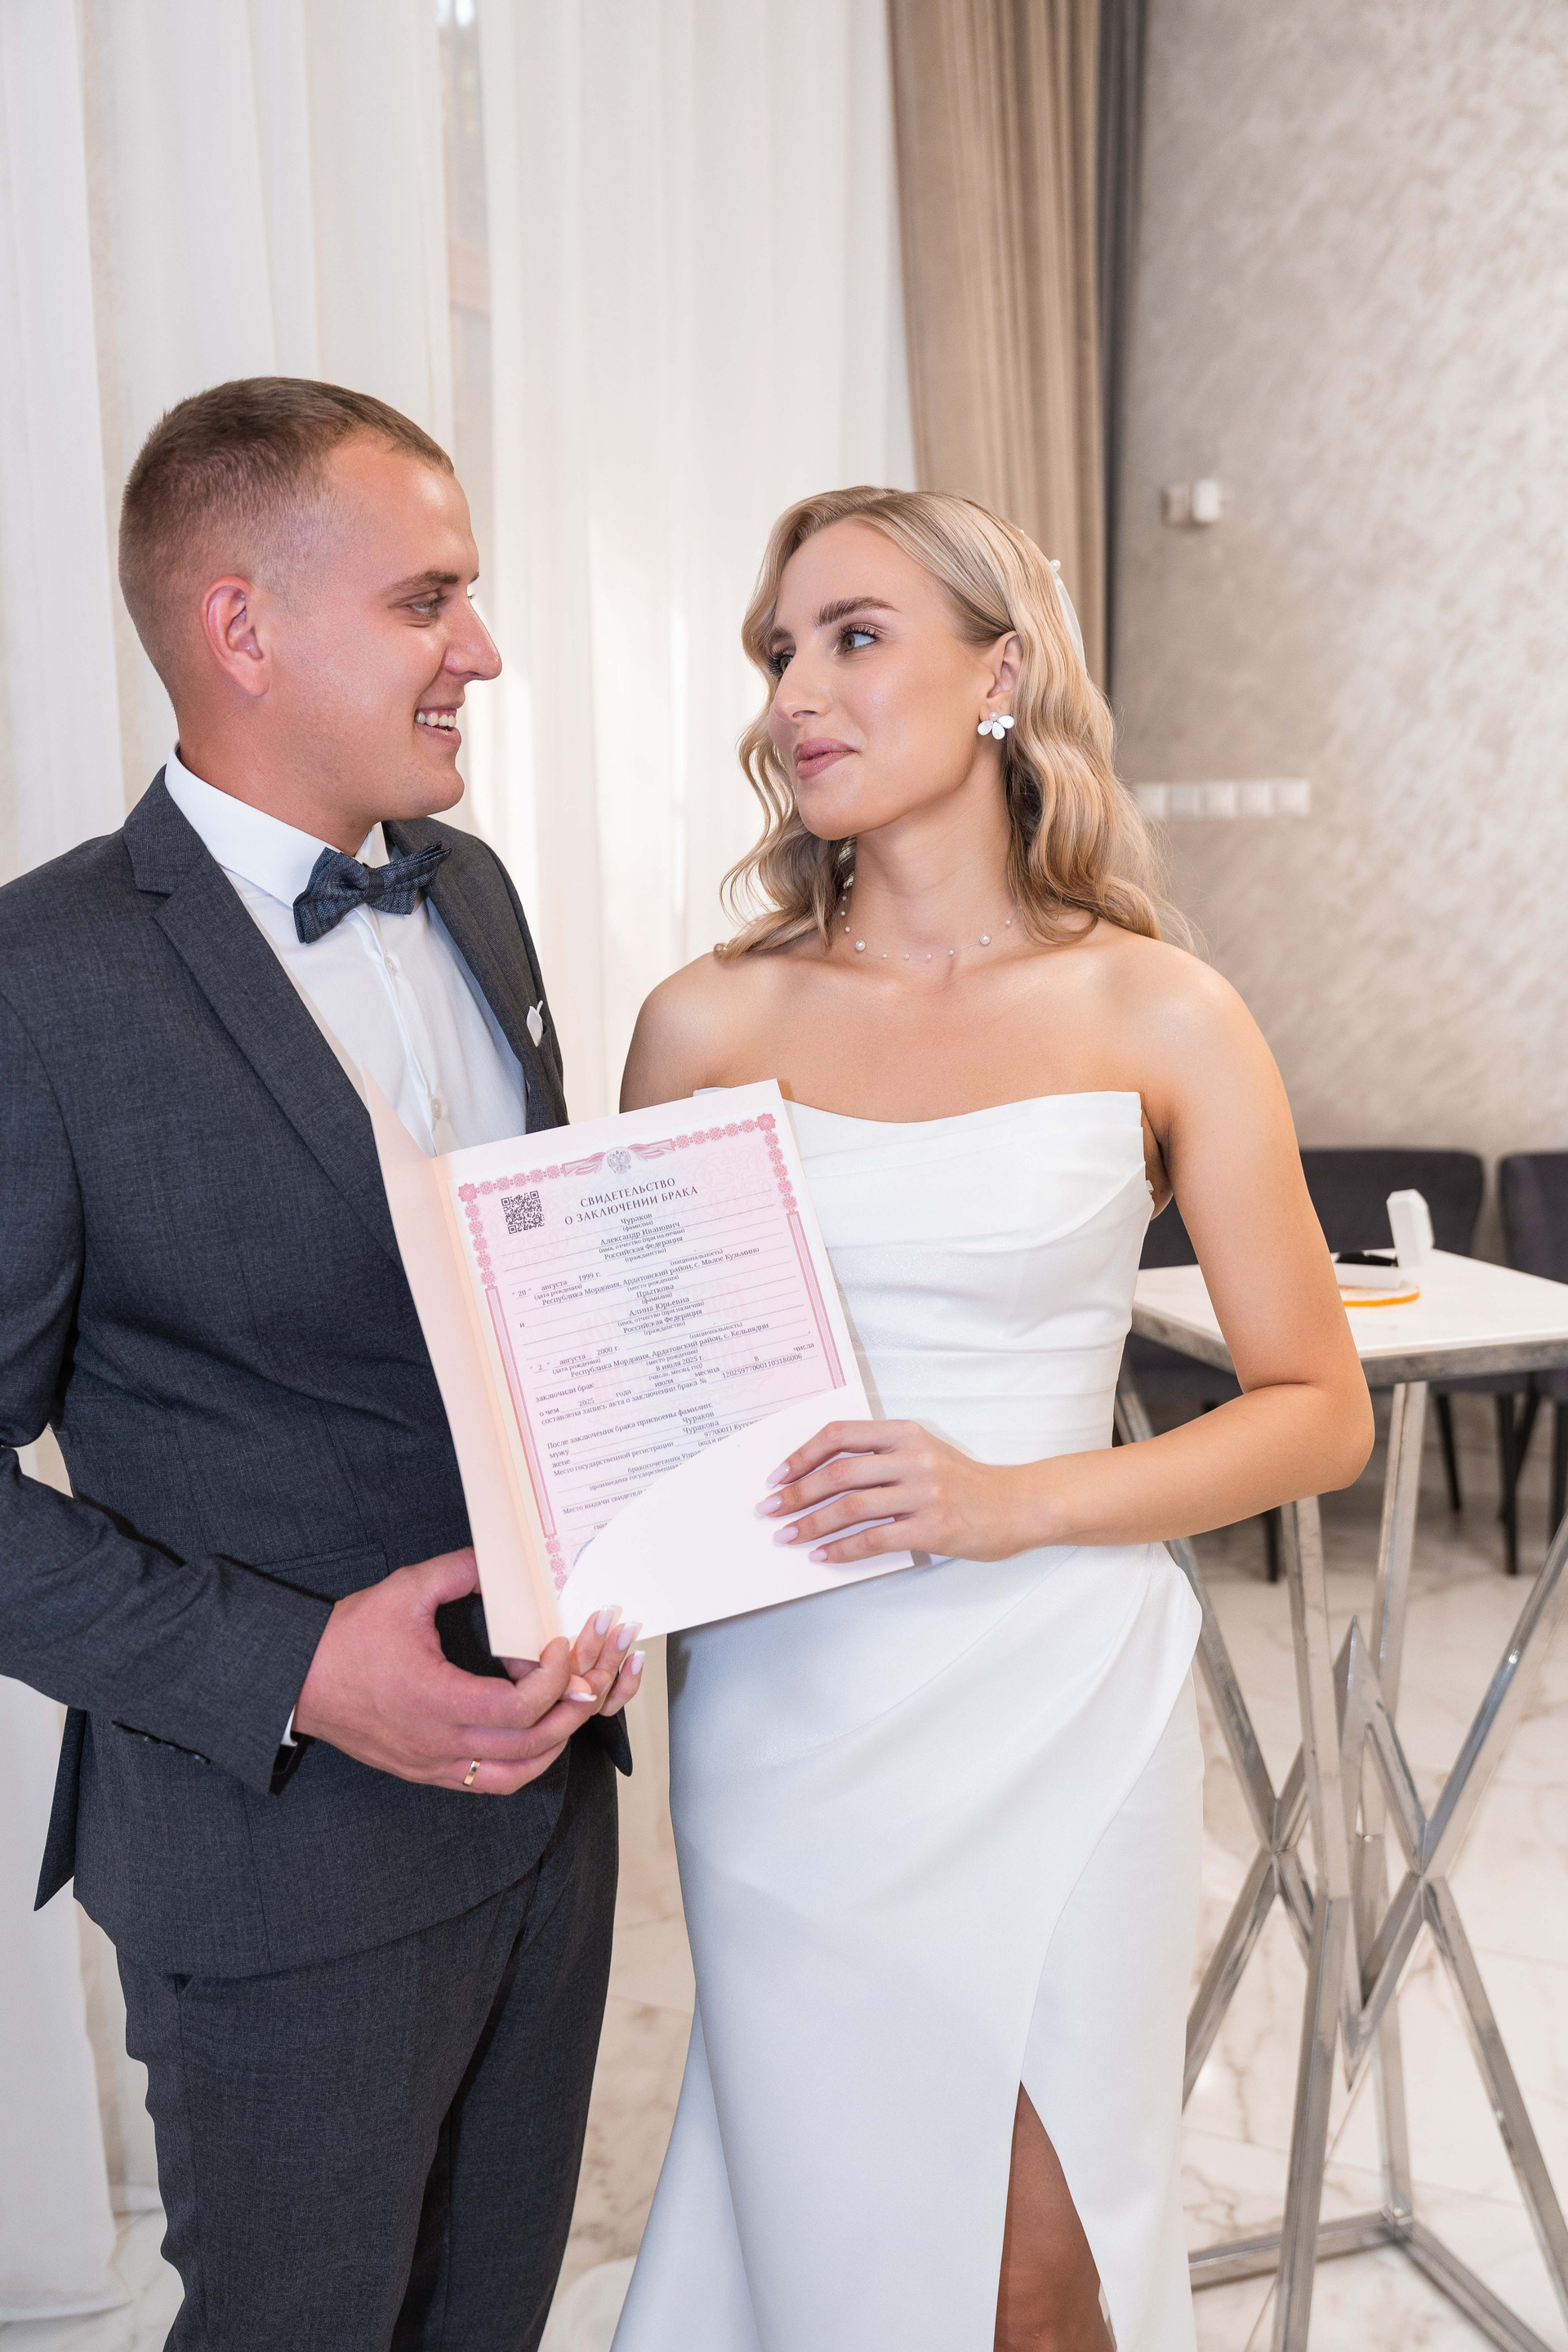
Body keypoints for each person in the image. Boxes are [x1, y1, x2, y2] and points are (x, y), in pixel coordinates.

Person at [613, 487, 1372, 2351]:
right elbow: (640, 1417)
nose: (798, 692)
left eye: (856, 636)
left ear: (1000, 673)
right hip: (788, 1719)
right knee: (840, 2250)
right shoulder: (704, 1024)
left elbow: (1316, 1411)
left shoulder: (1162, 1009)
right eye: (780, 651)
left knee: (1048, 2266)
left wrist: (1010, 1501)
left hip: (1063, 1692)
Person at [0, 377, 643, 2350]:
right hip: (276, 1871)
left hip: (553, 1814)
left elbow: (512, 1318)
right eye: (427, 600)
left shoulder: (473, 893)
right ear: (243, 628)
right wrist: (296, 1668)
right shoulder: (38, 983)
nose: (484, 651)